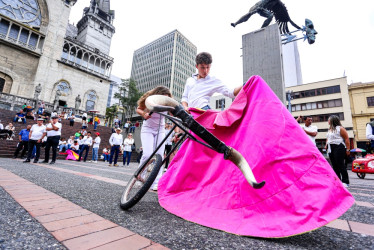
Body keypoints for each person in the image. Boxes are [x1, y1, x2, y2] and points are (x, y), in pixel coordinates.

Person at [136, 86, 172, 191]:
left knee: (160, 156)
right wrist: (144, 113)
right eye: (163, 98)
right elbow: (138, 108)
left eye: (166, 99)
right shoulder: (149, 98)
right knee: (147, 154)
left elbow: (174, 112)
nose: (164, 101)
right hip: (148, 128)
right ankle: (139, 176)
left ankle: (156, 183)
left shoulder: (169, 103)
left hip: (160, 130)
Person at [325, 115, 350, 188]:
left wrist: (348, 149)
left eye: (329, 120)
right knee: (334, 165)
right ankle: (337, 180)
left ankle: (345, 181)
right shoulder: (329, 129)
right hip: (330, 147)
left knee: (340, 164)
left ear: (332, 121)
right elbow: (328, 138)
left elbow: (347, 139)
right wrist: (326, 144)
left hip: (339, 146)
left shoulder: (340, 128)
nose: (328, 121)